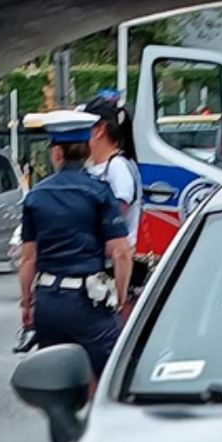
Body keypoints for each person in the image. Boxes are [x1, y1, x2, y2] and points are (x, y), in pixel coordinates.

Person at [18, 110, 132, 384]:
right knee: (110, 376)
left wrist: (27, 302)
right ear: (87, 150)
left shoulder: (36, 195)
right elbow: (121, 252)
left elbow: (27, 258)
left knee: (56, 380)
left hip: (48, 301)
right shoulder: (99, 192)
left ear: (56, 153)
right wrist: (120, 296)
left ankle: (63, 421)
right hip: (87, 302)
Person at [81, 93, 143, 312]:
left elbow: (115, 216)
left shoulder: (118, 167)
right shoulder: (90, 168)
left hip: (115, 269)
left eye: (84, 129)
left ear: (99, 130)